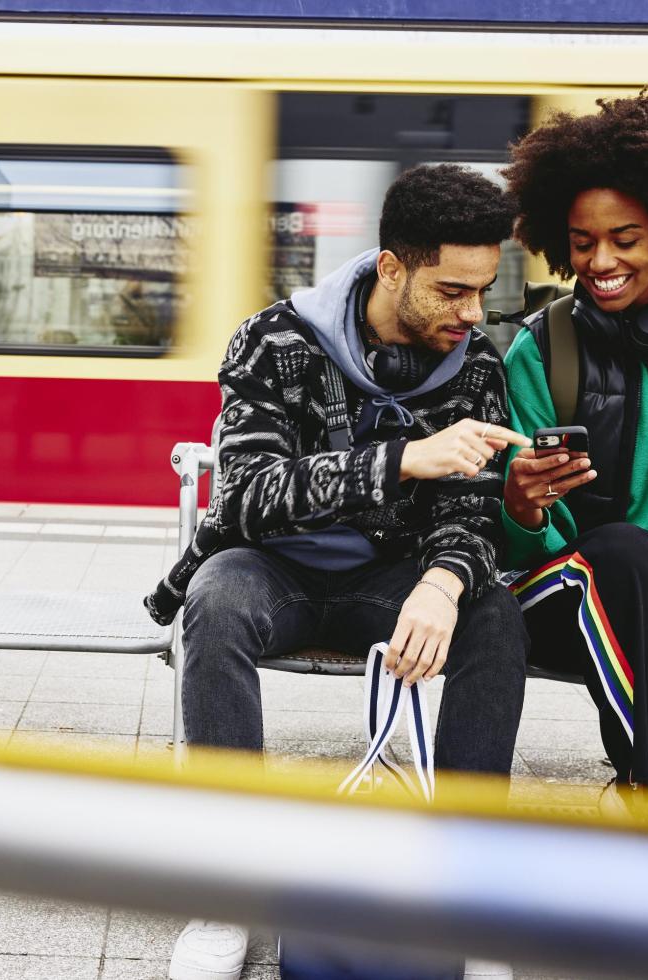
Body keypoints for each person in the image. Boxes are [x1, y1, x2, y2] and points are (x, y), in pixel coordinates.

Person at [144, 164, 530, 980]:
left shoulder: (476, 368)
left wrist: (444, 582)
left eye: (481, 292)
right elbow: (246, 495)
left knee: (493, 614)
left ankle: (469, 889)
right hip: (272, 569)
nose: (470, 314)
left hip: (390, 581)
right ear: (392, 266)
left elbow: (471, 515)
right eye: (451, 291)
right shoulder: (274, 339)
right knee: (214, 604)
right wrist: (401, 460)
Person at [499, 79, 648, 808]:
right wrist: (522, 506)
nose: (599, 261)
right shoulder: (542, 352)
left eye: (623, 239)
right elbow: (515, 550)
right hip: (567, 600)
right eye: (581, 243)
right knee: (624, 549)